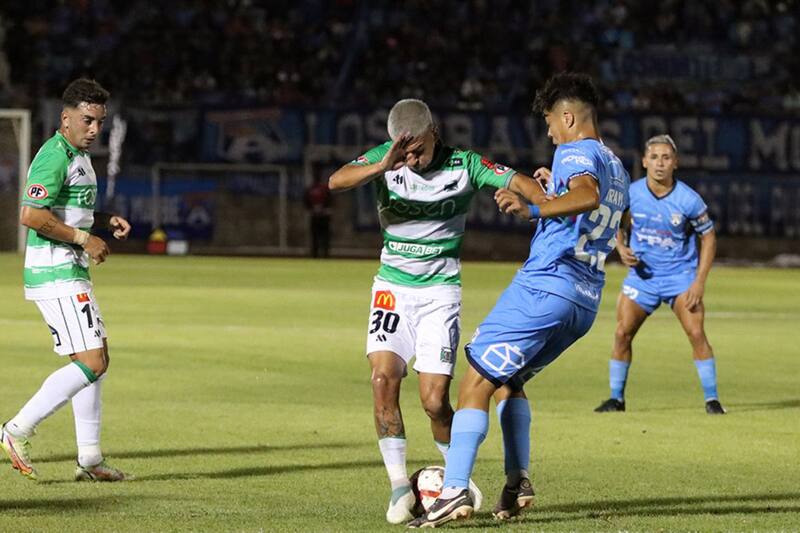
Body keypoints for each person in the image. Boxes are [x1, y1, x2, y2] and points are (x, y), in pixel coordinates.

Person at [408, 72, 630, 528]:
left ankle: (452, 492)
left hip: (546, 287)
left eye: (550, 122)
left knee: (475, 382)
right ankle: (517, 480)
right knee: (510, 379)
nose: (549, 132)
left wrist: (532, 208)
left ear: (568, 116)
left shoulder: (575, 151)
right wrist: (555, 195)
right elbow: (598, 204)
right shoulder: (617, 165)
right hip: (584, 301)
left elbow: (585, 196)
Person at [328, 98, 544, 524]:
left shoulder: (463, 164)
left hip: (439, 294)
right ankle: (398, 490)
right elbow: (336, 181)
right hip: (391, 289)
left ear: (435, 133)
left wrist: (544, 202)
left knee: (433, 401)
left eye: (417, 149)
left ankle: (455, 481)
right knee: (382, 379)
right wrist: (381, 166)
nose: (410, 158)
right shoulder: (386, 160)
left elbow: (516, 180)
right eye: (402, 151)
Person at [1, 78, 133, 481]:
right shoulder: (53, 155)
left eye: (100, 122)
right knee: (94, 361)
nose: (95, 129)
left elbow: (69, 208)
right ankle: (16, 430)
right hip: (55, 270)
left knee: (92, 360)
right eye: (88, 120)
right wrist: (83, 237)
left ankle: (89, 459)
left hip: (68, 269)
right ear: (66, 117)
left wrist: (103, 218)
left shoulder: (78, 154)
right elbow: (31, 215)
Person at [594, 134, 724, 415]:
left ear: (675, 162)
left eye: (666, 158)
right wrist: (621, 246)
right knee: (621, 333)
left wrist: (699, 282)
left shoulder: (688, 200)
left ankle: (712, 400)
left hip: (680, 278)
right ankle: (616, 399)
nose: (660, 163)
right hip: (643, 279)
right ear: (644, 161)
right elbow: (617, 220)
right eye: (654, 157)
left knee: (696, 332)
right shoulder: (632, 194)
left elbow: (709, 238)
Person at [304, 173, 332, 257]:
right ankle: (315, 254)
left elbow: (330, 200)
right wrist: (311, 209)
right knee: (315, 236)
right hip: (315, 216)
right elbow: (306, 200)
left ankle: (324, 254)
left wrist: (326, 209)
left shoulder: (324, 189)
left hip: (324, 215)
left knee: (324, 236)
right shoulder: (311, 189)